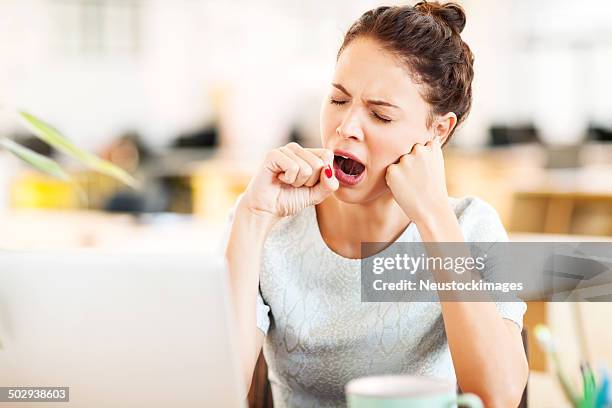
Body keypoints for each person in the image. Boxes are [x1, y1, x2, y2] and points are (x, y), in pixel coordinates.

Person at [225, 2, 528, 407]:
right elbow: (215, 391)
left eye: (380, 115)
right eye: (337, 100)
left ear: (438, 131)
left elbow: (499, 395)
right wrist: (252, 217)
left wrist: (435, 218)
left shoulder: (471, 227)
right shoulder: (268, 226)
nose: (345, 128)